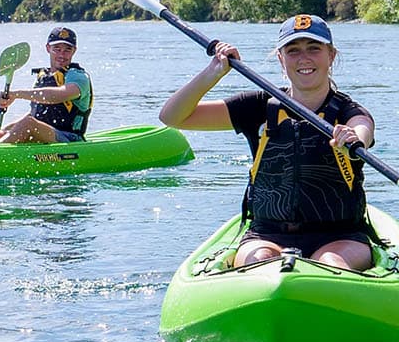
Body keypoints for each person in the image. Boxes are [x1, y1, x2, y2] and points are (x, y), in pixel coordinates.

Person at [159, 14, 375, 272]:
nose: (304, 58)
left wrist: (352, 138)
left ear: (331, 55)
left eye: (314, 48)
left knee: (329, 264)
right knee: (259, 262)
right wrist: (213, 73)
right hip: (267, 233)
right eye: (293, 50)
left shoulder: (348, 111)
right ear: (281, 59)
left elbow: (363, 130)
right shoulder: (258, 106)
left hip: (340, 236)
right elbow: (172, 116)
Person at [0, 26, 93, 144]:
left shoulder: (78, 76)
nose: (61, 55)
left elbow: (59, 95)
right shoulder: (44, 76)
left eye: (67, 50)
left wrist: (16, 94)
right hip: (42, 134)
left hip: (71, 139)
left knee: (28, 124)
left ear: (74, 51)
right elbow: (36, 114)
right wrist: (6, 131)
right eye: (57, 49)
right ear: (48, 48)